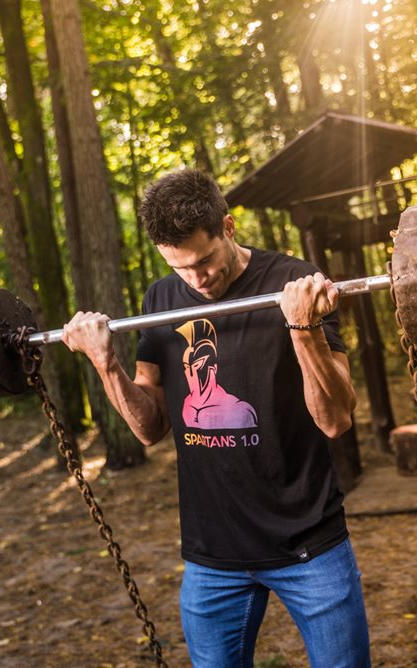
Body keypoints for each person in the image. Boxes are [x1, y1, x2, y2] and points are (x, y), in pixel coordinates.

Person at [62, 169, 371, 667]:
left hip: (309, 545)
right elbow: (149, 428)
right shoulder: (159, 301)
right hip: (213, 559)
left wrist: (302, 329)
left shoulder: (294, 284)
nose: (196, 278)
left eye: (204, 260)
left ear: (228, 227)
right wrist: (105, 364)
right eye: (181, 267)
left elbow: (335, 419)